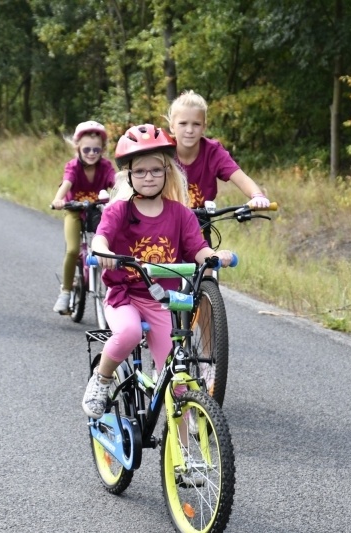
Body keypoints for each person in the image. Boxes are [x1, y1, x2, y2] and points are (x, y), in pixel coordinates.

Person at [81, 124, 235, 419]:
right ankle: (101, 380)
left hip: (162, 301)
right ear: (129, 175)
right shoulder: (119, 211)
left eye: (155, 170)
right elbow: (101, 237)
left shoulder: (180, 214)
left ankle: (184, 454)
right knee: (128, 333)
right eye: (140, 171)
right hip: (124, 296)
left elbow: (199, 249)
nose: (148, 177)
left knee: (175, 376)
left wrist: (216, 256)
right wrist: (105, 252)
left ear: (167, 172)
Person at [165, 90, 270, 243]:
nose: (189, 130)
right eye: (183, 123)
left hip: (199, 229)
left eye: (196, 124)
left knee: (209, 264)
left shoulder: (212, 151)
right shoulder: (163, 150)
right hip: (165, 228)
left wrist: (257, 196)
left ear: (204, 127)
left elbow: (240, 177)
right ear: (172, 126)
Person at [50, 121, 116, 313]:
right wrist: (58, 199)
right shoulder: (73, 167)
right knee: (72, 250)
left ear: (102, 149)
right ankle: (66, 291)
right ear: (77, 147)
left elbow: (116, 181)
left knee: (108, 249)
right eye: (86, 149)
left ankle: (115, 290)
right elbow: (67, 183)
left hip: (96, 212)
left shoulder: (105, 166)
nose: (91, 153)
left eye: (96, 149)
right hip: (74, 211)